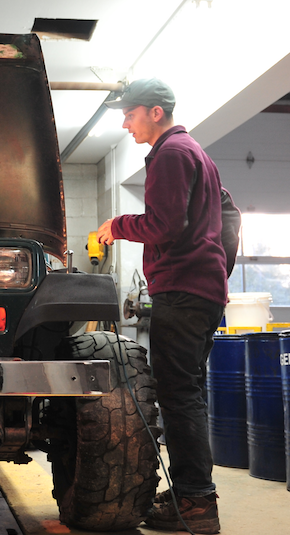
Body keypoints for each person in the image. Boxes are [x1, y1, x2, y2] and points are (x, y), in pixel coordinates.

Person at [97, 78, 240, 535]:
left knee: (179, 398)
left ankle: (197, 504)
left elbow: (163, 223)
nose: (125, 121)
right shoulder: (197, 153)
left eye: (130, 113)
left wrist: (115, 225)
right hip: (199, 292)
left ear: (155, 112)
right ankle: (192, 494)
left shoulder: (172, 154)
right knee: (187, 396)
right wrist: (216, 274)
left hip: (181, 291)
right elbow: (230, 216)